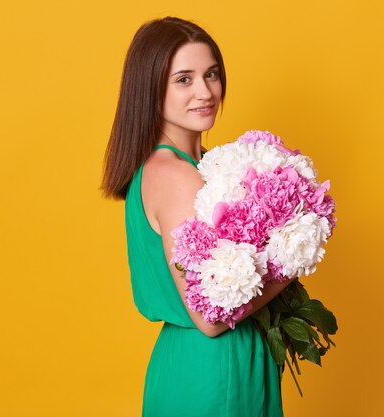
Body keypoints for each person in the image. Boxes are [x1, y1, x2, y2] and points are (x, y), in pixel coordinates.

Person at [101, 16, 297, 417]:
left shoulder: (200, 166)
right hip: (213, 366)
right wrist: (290, 260)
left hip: (204, 360)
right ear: (151, 90)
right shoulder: (175, 174)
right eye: (184, 79)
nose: (205, 92)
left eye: (211, 74)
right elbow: (209, 319)